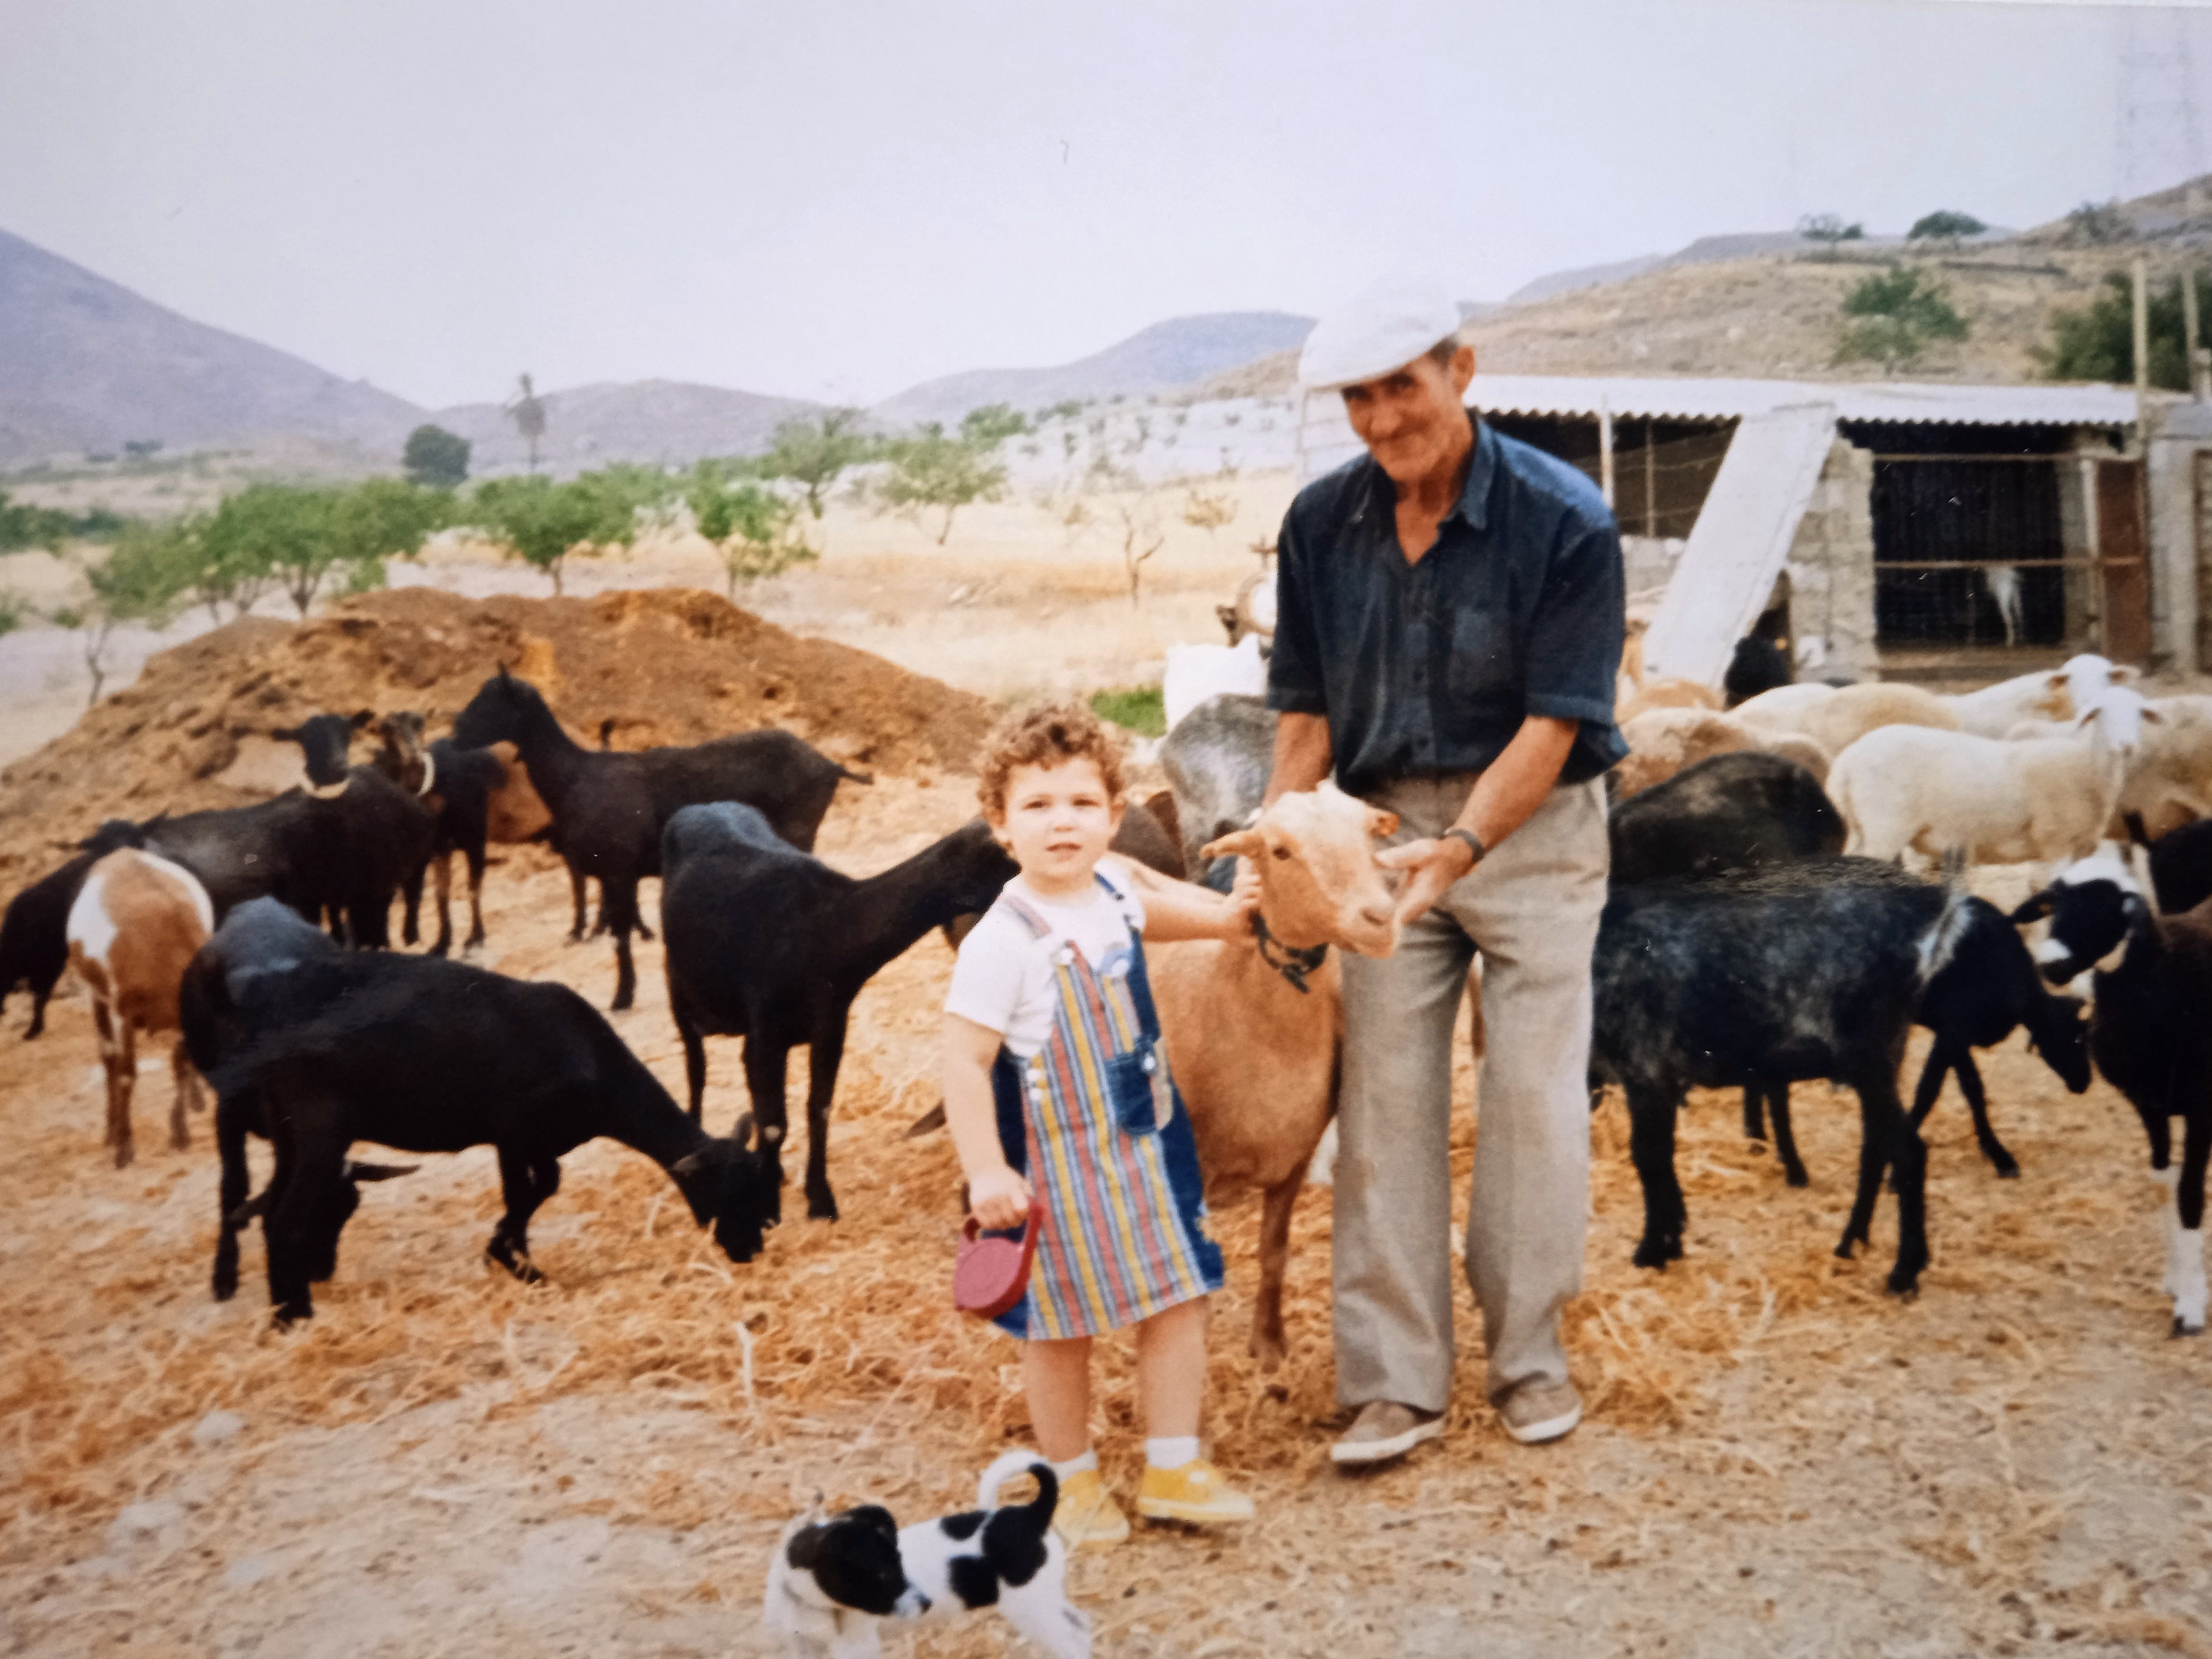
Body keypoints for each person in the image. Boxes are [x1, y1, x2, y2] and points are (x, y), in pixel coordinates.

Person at [1266, 279, 1626, 1465]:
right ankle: (1393, 1385)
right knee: (1383, 1103)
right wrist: (1281, 854)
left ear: (1460, 371)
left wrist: (1464, 844)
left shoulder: (1562, 518)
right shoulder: (1320, 524)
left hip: (1532, 830)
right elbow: (1304, 709)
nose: (1379, 420)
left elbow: (1556, 725)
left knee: (1530, 1100)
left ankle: (1529, 1360)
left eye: (1400, 388)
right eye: (1357, 399)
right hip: (1375, 834)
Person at [941, 702, 1262, 1552]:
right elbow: (964, 1065)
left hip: (1148, 1152)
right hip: (1055, 1172)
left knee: (1177, 1297)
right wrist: (985, 1172)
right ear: (1000, 824)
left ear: (1116, 817)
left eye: (1083, 803)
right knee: (1059, 1325)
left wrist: (1228, 919)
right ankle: (1069, 1480)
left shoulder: (1114, 884)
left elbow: (1149, 917)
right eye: (1038, 805)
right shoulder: (1001, 942)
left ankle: (1171, 1466)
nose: (1062, 822)